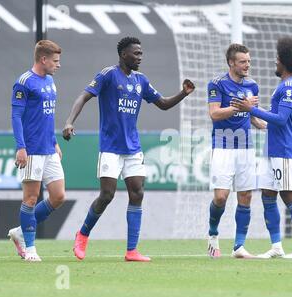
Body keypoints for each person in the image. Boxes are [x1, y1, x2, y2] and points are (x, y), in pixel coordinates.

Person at [62, 36, 195, 262]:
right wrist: (69, 122)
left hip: (133, 148)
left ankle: (132, 250)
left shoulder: (141, 80)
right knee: (107, 195)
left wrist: (183, 93)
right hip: (111, 147)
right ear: (124, 54)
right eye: (136, 53)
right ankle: (82, 234)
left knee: (137, 193)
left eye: (141, 53)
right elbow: (83, 96)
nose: (140, 57)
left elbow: (162, 104)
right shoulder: (107, 75)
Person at [231, 37, 292, 259]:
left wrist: (252, 109)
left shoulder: (289, 88)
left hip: (285, 150)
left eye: (278, 58)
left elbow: (281, 119)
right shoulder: (284, 85)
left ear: (286, 62)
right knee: (268, 196)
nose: (275, 61)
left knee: (289, 196)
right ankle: (276, 246)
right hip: (272, 149)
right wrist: (257, 118)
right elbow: (274, 121)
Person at [206, 43, 266, 259]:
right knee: (221, 197)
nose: (247, 65)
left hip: (246, 148)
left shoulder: (252, 86)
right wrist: (240, 106)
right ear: (231, 62)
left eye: (248, 61)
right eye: (242, 61)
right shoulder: (217, 84)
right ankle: (213, 235)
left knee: (246, 196)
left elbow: (253, 118)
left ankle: (238, 247)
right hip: (223, 146)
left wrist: (270, 125)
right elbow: (214, 114)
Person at [8, 40, 66, 262]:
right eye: (55, 61)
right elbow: (16, 117)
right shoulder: (24, 82)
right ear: (43, 59)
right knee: (31, 199)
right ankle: (30, 248)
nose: (58, 65)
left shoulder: (50, 81)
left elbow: (48, 115)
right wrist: (21, 147)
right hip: (31, 149)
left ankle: (20, 232)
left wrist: (54, 141)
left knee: (59, 196)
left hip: (48, 148)